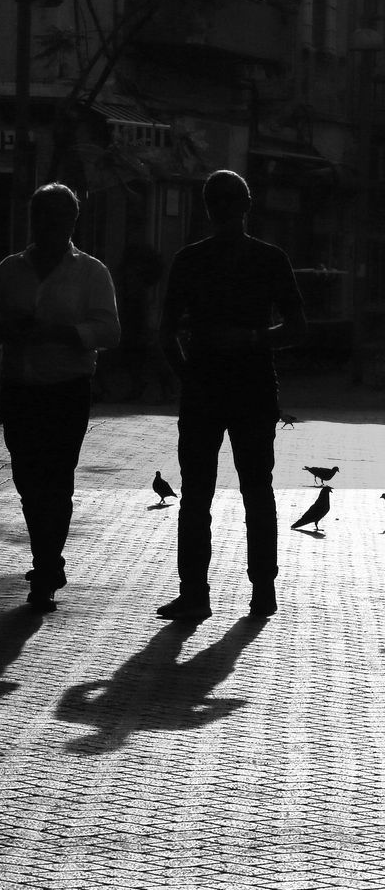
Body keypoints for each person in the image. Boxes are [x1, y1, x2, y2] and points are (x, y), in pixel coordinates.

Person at [156, 169, 307, 622]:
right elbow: (298, 329)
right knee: (254, 492)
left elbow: (165, 333)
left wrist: (189, 375)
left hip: (214, 390)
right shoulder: (268, 258)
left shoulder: (191, 260)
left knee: (201, 495)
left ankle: (198, 593)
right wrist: (257, 340)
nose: (224, 210)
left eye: (226, 202)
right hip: (250, 388)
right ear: (248, 205)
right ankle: (261, 592)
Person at [0, 183, 121, 612]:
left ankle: (45, 565)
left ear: (72, 221)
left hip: (66, 390)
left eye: (59, 217)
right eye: (42, 216)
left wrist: (62, 333)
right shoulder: (10, 270)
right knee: (27, 481)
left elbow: (110, 331)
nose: (49, 226)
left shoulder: (91, 272)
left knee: (56, 482)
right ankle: (47, 558)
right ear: (33, 220)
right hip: (20, 388)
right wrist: (9, 329)